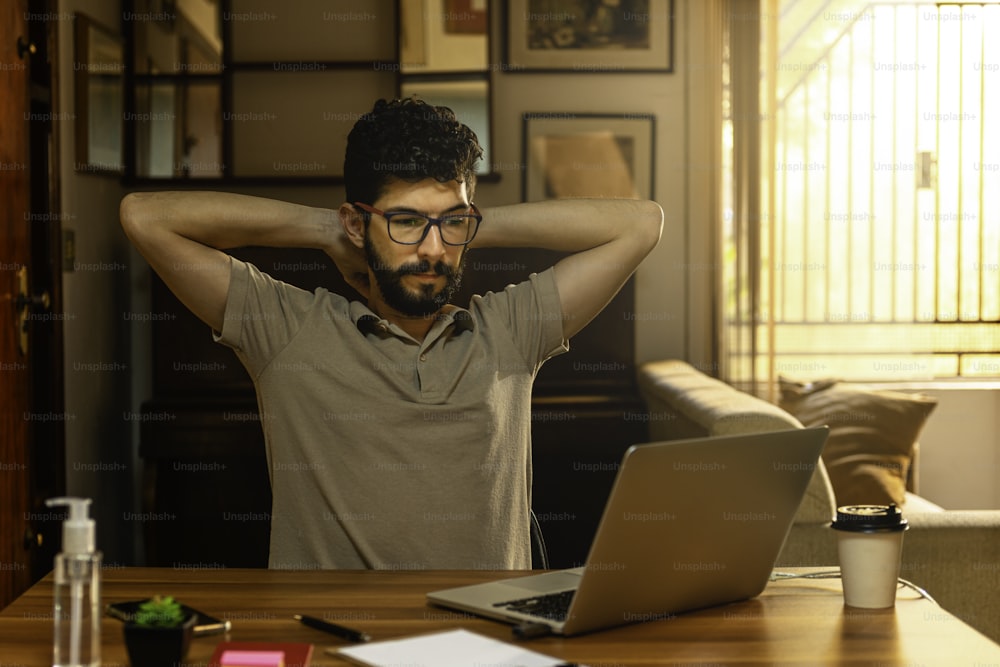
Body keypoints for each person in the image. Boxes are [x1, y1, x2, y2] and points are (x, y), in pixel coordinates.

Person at [120, 97, 662, 571]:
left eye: (451, 223)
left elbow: (641, 223)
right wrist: (325, 231)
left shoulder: (510, 328)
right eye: (405, 221)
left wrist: (465, 225)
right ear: (357, 224)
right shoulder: (287, 329)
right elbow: (144, 216)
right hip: (336, 645)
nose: (431, 250)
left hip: (483, 646)